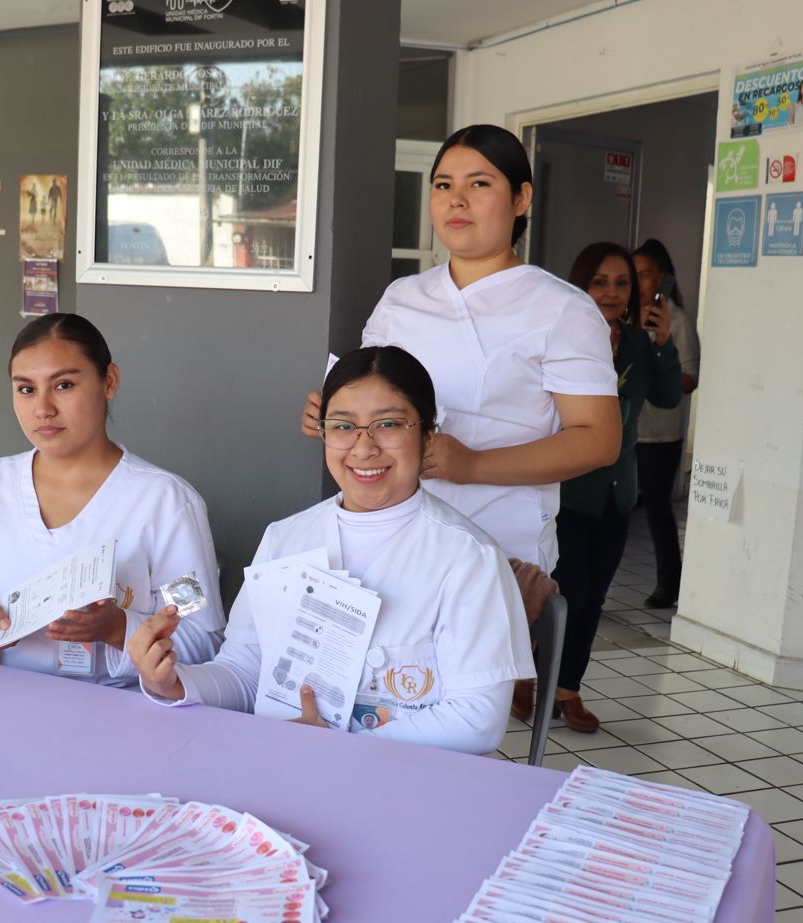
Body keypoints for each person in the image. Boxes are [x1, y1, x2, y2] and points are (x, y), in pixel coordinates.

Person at [134, 346, 534, 756]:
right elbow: (245, 672)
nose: (363, 448)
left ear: (427, 436)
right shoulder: (284, 539)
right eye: (343, 426)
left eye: (388, 424)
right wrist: (175, 682)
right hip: (286, 763)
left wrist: (338, 747)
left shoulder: (469, 558)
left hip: (410, 777)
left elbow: (477, 721)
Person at [299, 124, 620, 572]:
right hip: (391, 534)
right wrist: (333, 415)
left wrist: (471, 465)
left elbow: (599, 440)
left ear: (521, 198)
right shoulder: (401, 297)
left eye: (479, 184)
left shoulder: (562, 308)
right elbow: (366, 393)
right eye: (443, 185)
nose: (457, 200)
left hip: (499, 544)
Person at [0, 312, 224, 686]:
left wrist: (120, 629)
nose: (43, 409)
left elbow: (204, 640)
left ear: (109, 381)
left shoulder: (165, 502)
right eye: (26, 389)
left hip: (110, 712)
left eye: (63, 385)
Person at [527, 243, 681, 734]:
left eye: (622, 283)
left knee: (594, 596)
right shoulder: (560, 337)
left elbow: (667, 396)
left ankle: (567, 689)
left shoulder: (637, 342)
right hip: (567, 489)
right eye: (600, 282)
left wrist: (664, 344)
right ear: (580, 285)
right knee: (566, 592)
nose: (612, 293)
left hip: (617, 491)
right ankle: (529, 677)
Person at [632, 238, 701, 609]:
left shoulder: (676, 320)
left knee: (657, 508)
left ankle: (668, 583)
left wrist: (659, 369)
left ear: (662, 278)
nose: (638, 282)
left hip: (660, 434)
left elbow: (690, 378)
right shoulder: (627, 317)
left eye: (645, 275)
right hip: (628, 428)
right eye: (634, 275)